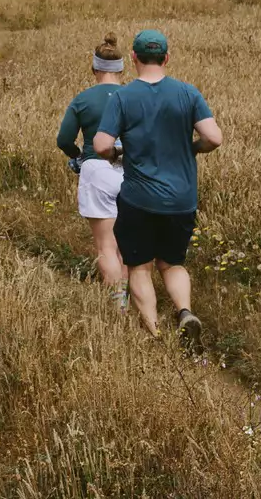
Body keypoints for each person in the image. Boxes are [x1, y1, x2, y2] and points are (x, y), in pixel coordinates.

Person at [93, 28, 222, 346]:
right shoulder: (188, 93)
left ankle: (154, 331)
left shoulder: (123, 96)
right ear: (166, 58)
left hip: (139, 199)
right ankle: (185, 312)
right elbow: (214, 138)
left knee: (139, 266)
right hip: (181, 199)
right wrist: (194, 148)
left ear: (133, 58)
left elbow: (101, 145)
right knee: (172, 263)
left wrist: (115, 154)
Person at [56, 33, 130, 312]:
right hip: (134, 172)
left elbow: (64, 139)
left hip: (97, 170)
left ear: (95, 69)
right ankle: (138, 297)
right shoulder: (135, 95)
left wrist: (77, 157)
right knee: (129, 245)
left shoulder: (83, 99)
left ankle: (119, 304)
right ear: (122, 69)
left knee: (106, 246)